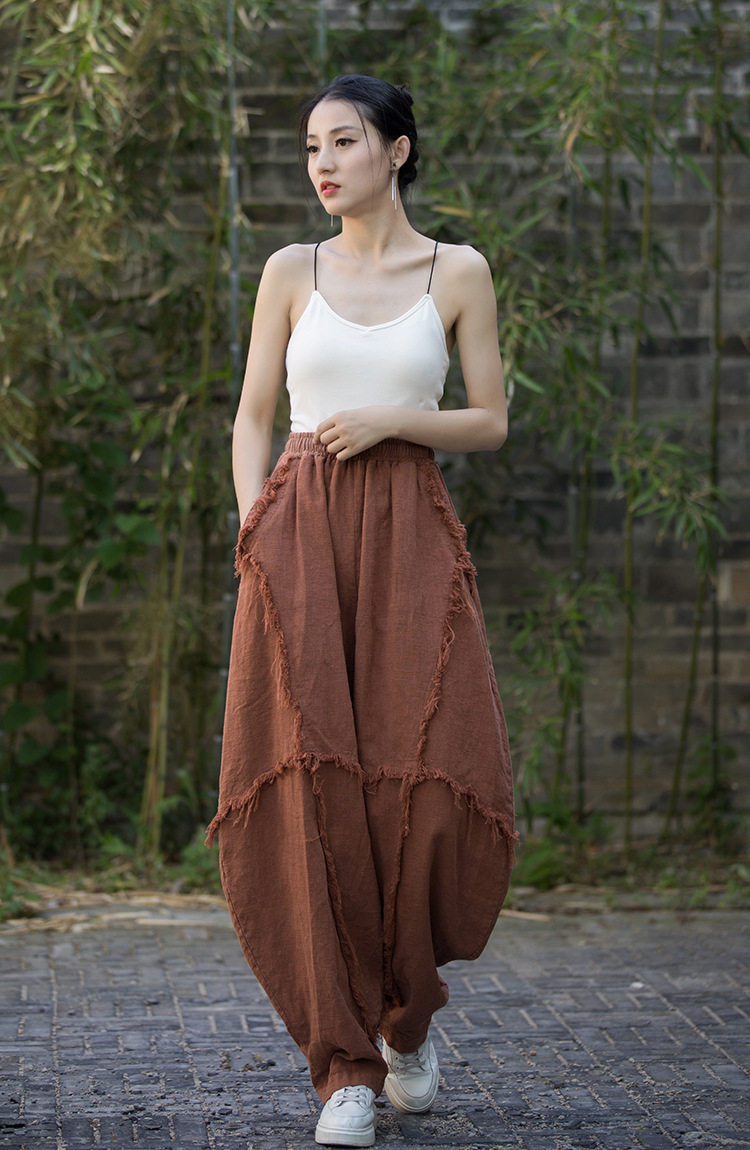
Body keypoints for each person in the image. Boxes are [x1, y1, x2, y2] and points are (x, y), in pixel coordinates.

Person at [206, 74, 515, 1148]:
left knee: (428, 778)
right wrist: (255, 529)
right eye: (311, 148)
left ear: (398, 149)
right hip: (300, 532)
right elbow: (252, 416)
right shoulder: (290, 270)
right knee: (312, 785)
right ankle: (342, 1066)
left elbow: (489, 419)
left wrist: (390, 419)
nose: (323, 164)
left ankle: (407, 1019)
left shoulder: (457, 270)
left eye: (343, 142)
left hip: (411, 534)